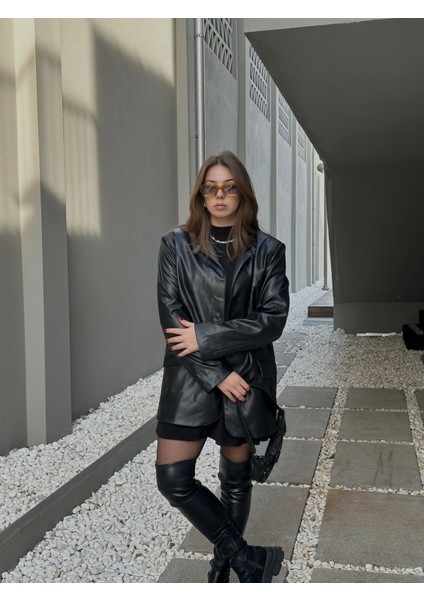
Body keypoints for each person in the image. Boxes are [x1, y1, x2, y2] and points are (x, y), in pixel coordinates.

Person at [155, 150, 289, 583]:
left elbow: (273, 319)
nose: (219, 195)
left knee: (235, 479)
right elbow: (173, 322)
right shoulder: (175, 245)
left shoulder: (268, 250)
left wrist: (207, 336)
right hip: (191, 379)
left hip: (246, 378)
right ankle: (249, 560)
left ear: (242, 193)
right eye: (210, 188)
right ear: (200, 194)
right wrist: (216, 373)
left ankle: (223, 568)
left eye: (229, 188)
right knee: (173, 478)